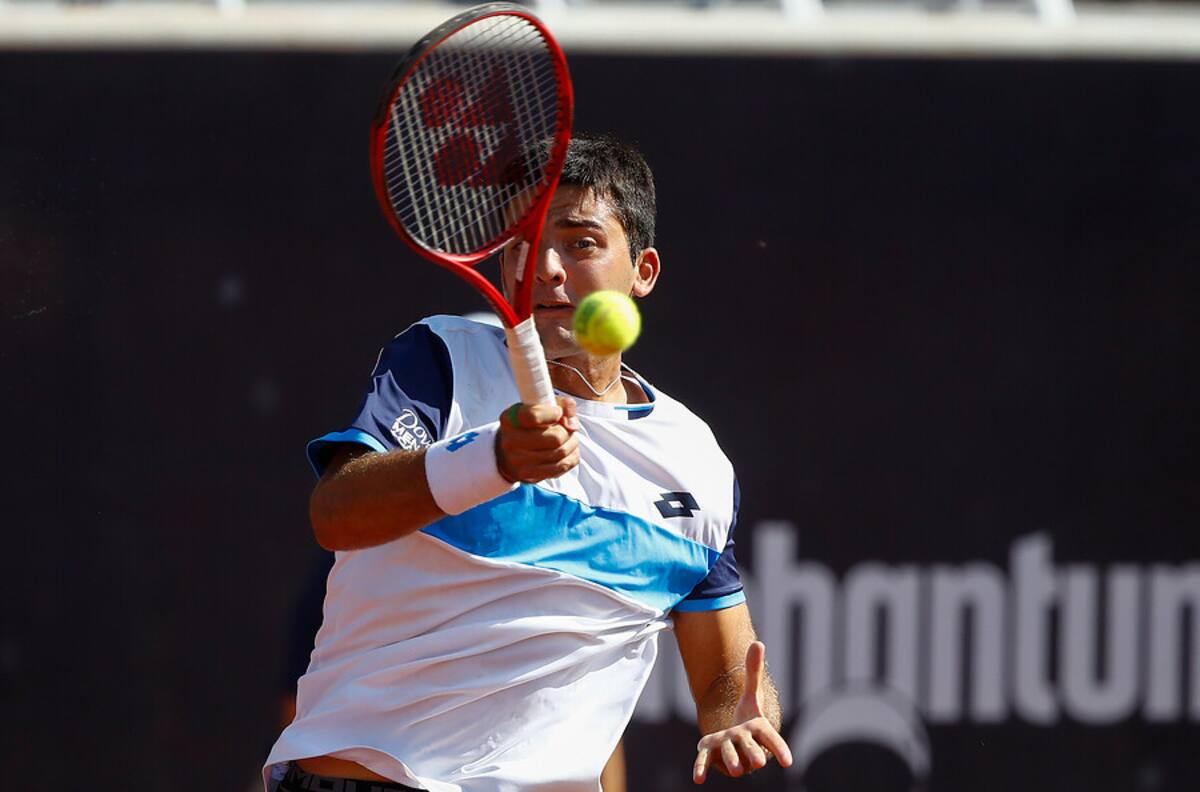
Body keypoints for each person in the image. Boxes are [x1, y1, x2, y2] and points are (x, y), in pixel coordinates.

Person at [263, 133, 791, 792]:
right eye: (525, 244)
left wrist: (736, 716)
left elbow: (724, 675)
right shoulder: (444, 359)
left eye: (581, 242)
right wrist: (491, 457)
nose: (547, 267)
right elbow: (337, 514)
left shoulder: (694, 461)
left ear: (644, 270)